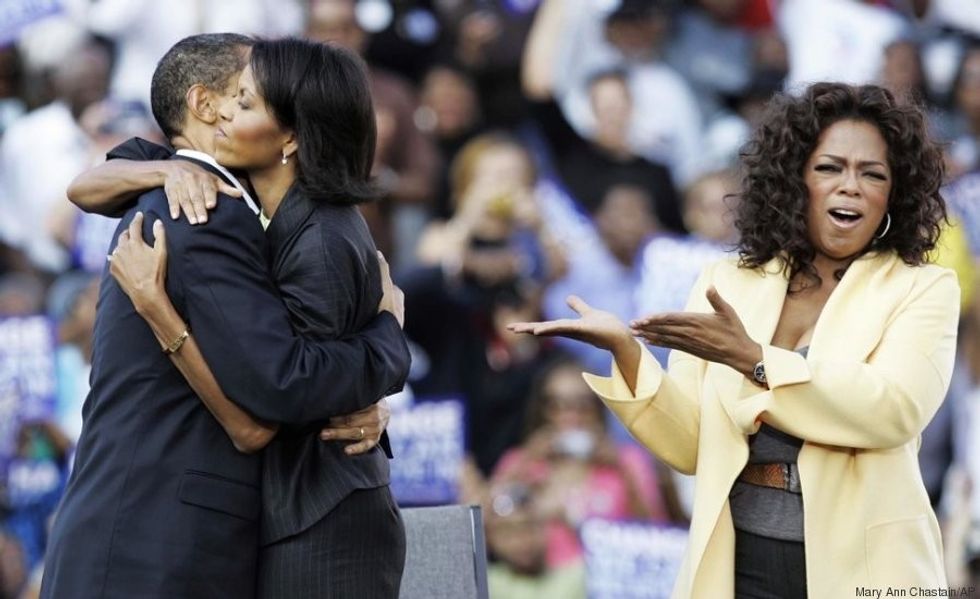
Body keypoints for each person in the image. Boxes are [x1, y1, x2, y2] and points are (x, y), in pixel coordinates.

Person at [509, 82, 959, 598]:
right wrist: (628, 353)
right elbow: (691, 444)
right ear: (796, 179)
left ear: (893, 197)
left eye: (872, 174)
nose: (850, 186)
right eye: (829, 168)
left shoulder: (923, 288)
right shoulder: (726, 281)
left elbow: (894, 409)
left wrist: (754, 360)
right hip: (739, 562)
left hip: (869, 570)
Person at [40, 34, 410, 599]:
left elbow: (284, 378)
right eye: (238, 94)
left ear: (290, 133)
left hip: (189, 533)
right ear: (205, 106)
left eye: (250, 98)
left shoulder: (300, 225)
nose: (238, 107)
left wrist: (369, 400)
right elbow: (274, 394)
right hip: (155, 542)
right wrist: (386, 341)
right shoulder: (203, 207)